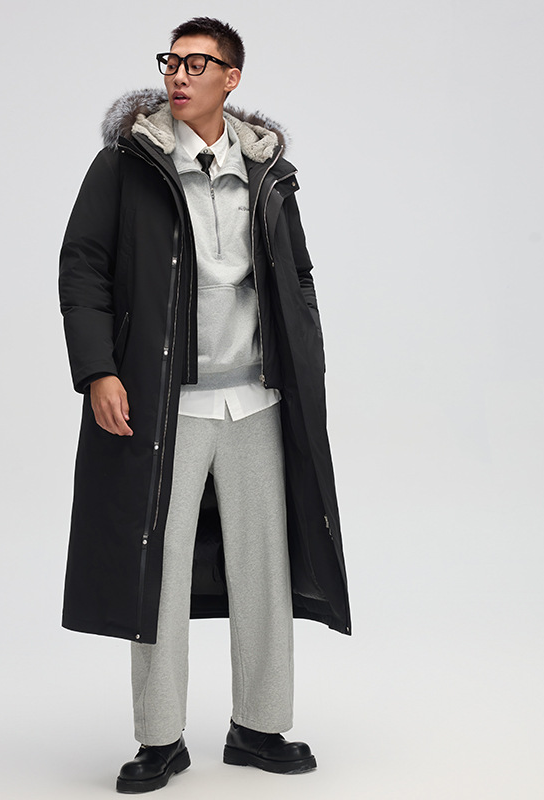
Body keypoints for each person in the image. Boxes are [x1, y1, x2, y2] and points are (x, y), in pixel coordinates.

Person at [58, 17, 350, 794]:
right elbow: (83, 267)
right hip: (166, 408)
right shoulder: (127, 165)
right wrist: (98, 371)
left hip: (256, 402)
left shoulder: (267, 169)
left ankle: (259, 726)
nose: (179, 76)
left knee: (265, 572)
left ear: (232, 77)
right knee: (156, 575)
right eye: (172, 62)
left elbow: (298, 276)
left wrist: (305, 363)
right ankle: (160, 740)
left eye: (198, 63)